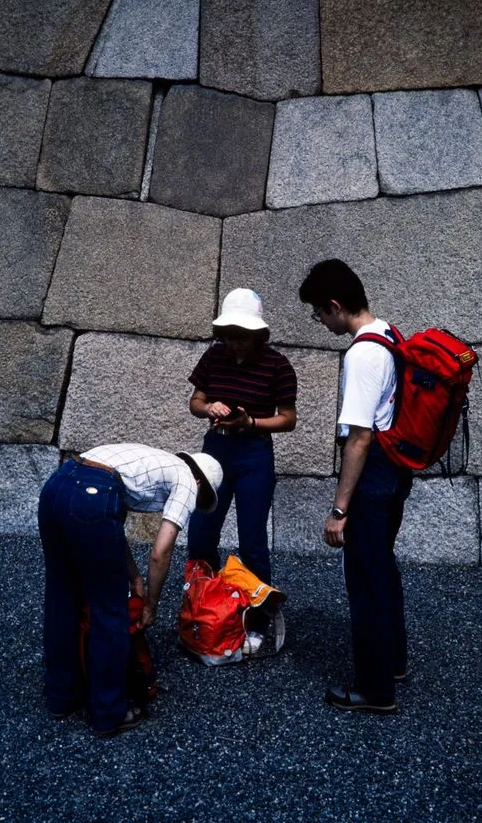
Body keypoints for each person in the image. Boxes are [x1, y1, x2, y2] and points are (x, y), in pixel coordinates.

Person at [38, 443, 222, 737]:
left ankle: (62, 696)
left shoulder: (147, 463)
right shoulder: (188, 480)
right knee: (111, 609)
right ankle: (109, 712)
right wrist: (151, 602)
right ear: (201, 483)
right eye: (201, 500)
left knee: (62, 596)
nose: (193, 505)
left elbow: (108, 526)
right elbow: (161, 552)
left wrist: (134, 576)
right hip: (93, 496)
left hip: (58, 485)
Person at [299, 259, 411, 715]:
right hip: (395, 473)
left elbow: (360, 437)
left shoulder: (363, 353)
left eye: (318, 314)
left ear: (335, 306)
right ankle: (394, 662)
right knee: (383, 569)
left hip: (372, 479)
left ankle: (374, 689)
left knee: (364, 580)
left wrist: (339, 509)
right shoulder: (390, 334)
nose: (320, 322)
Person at [186, 288, 297, 653]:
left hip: (254, 453)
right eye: (230, 336)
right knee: (201, 534)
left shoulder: (278, 365)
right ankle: (203, 611)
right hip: (214, 451)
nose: (235, 344)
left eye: (243, 337)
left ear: (259, 335)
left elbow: (289, 419)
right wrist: (209, 408)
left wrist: (250, 421)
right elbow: (195, 401)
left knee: (252, 540)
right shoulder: (213, 357)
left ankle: (257, 620)